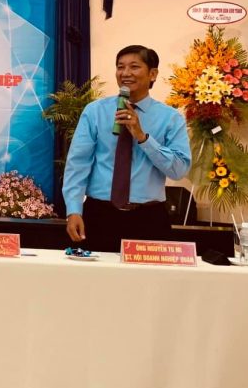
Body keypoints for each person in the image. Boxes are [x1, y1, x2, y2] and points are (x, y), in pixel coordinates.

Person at [63, 45, 191, 253]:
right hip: (99, 215)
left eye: (134, 67)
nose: (125, 73)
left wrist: (143, 137)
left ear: (152, 74)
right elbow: (78, 164)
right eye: (120, 67)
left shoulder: (170, 118)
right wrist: (73, 210)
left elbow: (179, 170)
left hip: (149, 219)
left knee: (150, 275)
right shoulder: (95, 111)